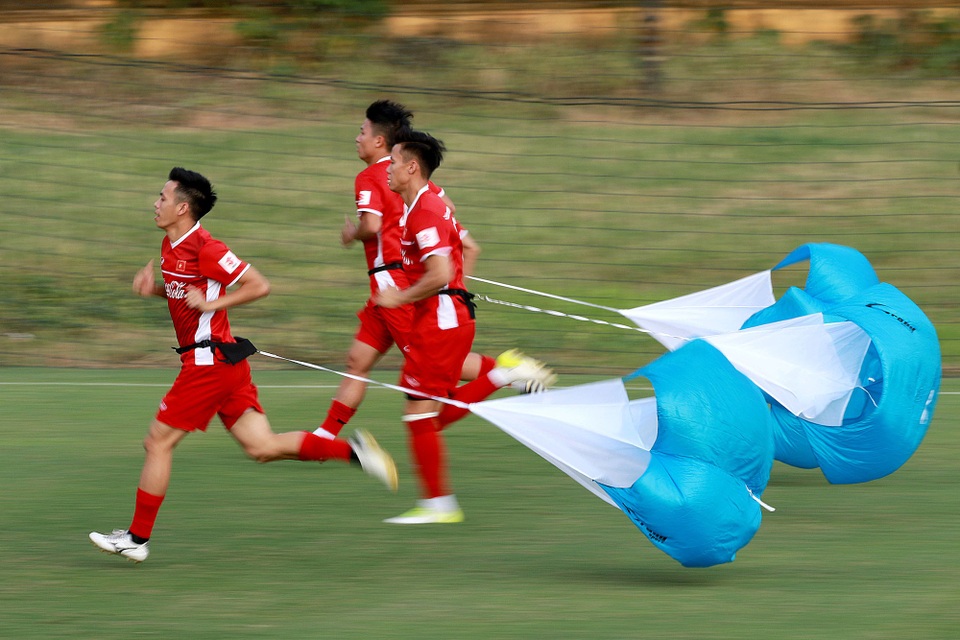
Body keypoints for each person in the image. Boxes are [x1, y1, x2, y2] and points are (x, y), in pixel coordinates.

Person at [89, 167, 398, 563]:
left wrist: (214, 304)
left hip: (208, 365)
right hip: (224, 365)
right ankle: (352, 452)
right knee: (262, 447)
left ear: (182, 207)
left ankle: (136, 538)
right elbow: (184, 292)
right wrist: (155, 289)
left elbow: (259, 285)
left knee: (158, 442)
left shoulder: (207, 247)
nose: (156, 202)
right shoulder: (170, 246)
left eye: (163, 198)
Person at [376, 130, 556, 524]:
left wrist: (401, 298)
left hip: (438, 323)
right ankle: (439, 502)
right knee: (425, 418)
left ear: (411, 167)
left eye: (392, 162)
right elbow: (470, 250)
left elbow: (439, 271)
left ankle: (502, 376)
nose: (386, 169)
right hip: (448, 318)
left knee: (422, 418)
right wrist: (457, 292)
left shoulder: (424, 213)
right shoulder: (435, 203)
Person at [314, 100, 495, 440]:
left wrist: (353, 234)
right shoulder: (422, 182)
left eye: (362, 131)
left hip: (393, 281)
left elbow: (372, 224)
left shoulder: (370, 176)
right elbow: (451, 213)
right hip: (387, 286)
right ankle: (324, 436)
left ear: (379, 141)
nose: (357, 137)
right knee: (357, 361)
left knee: (433, 368)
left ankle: (505, 373)